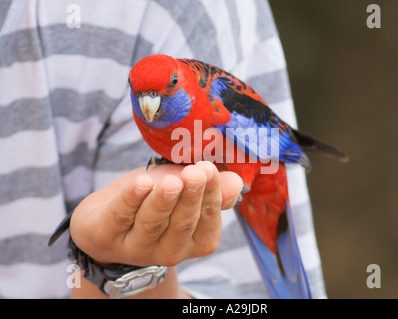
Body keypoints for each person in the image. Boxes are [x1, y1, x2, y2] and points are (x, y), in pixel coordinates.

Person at [0, 0, 327, 298]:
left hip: (260, 176)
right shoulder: (148, 110)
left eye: (166, 90)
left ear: (180, 81)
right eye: (140, 94)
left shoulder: (216, 95)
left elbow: (270, 143)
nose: (149, 106)